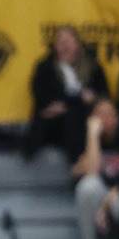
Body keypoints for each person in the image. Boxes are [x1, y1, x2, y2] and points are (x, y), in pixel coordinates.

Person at [29, 26, 109, 160]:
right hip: (54, 125)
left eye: (68, 40)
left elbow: (102, 95)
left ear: (77, 44)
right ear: (55, 47)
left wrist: (66, 104)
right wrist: (80, 100)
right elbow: (45, 99)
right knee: (73, 117)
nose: (64, 44)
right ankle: (78, 165)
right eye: (60, 41)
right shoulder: (45, 67)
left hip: (87, 120)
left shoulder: (92, 66)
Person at [73, 99, 119, 239]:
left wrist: (117, 190)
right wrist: (93, 135)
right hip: (98, 193)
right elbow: (92, 173)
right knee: (88, 186)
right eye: (101, 114)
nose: (107, 119)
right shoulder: (81, 136)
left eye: (111, 114)